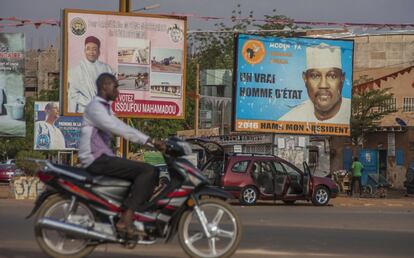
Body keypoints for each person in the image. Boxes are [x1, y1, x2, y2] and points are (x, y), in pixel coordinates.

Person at [78, 73, 166, 234]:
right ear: (105, 86)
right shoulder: (95, 108)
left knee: (146, 174)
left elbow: (120, 127)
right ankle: (127, 217)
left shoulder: (105, 108)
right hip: (95, 159)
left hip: (103, 157)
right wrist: (150, 140)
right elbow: (119, 127)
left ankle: (130, 213)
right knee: (148, 170)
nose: (118, 91)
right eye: (115, 86)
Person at [279, 43, 351, 123]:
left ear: (342, 79)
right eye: (315, 76)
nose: (323, 85)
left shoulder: (354, 112)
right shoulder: (288, 120)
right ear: (305, 79)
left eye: (332, 76)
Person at [68, 36, 114, 113]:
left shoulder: (107, 68)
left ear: (99, 52)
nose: (91, 52)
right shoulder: (76, 70)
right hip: (84, 111)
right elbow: (73, 94)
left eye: (94, 49)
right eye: (88, 49)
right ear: (84, 51)